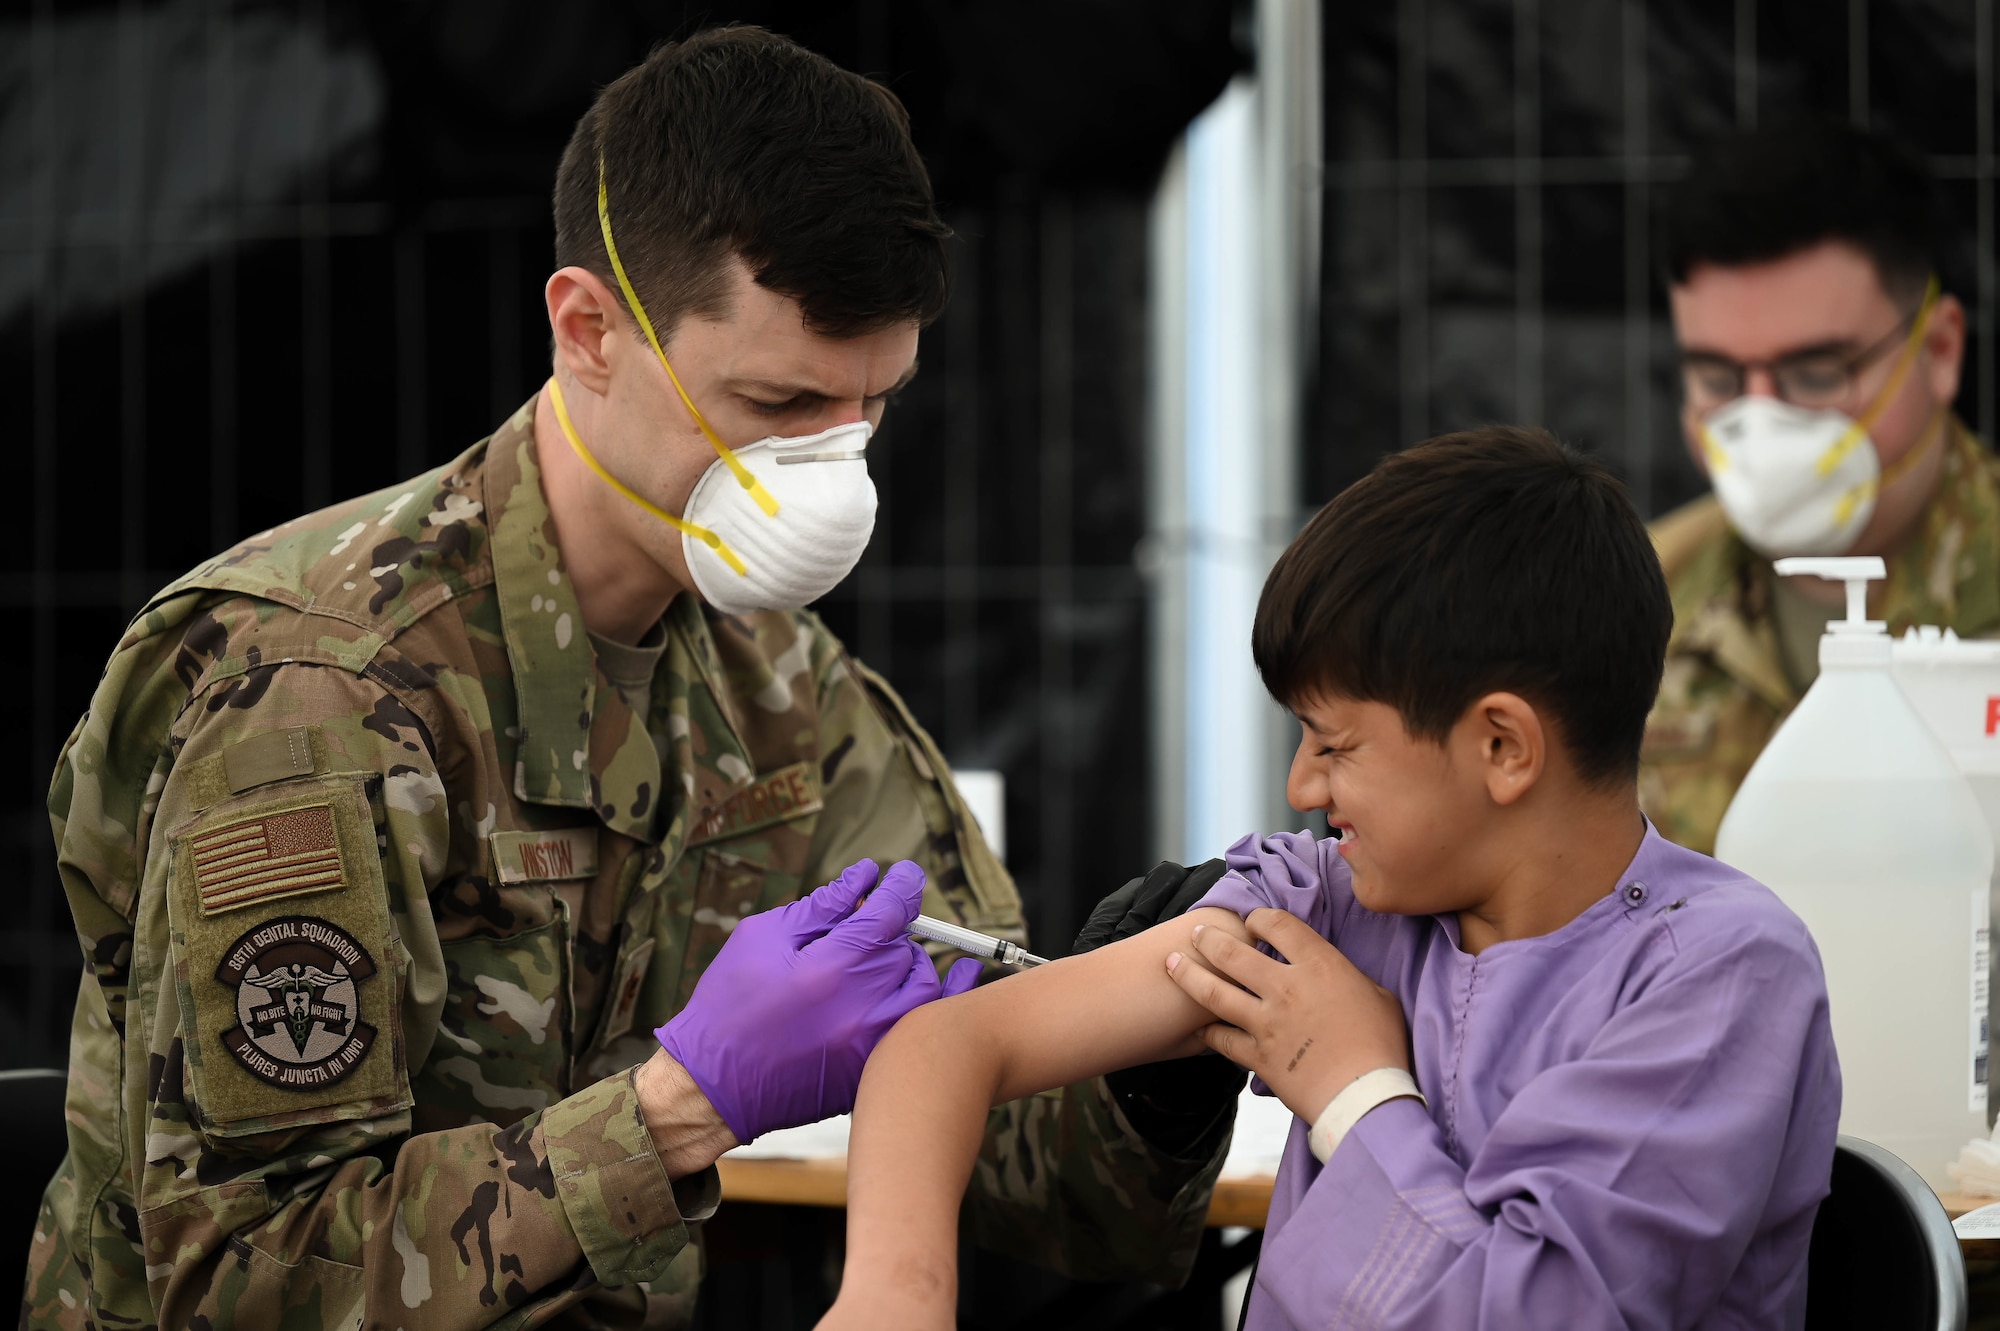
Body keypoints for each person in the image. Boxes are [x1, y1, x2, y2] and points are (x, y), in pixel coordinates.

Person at [21, 27, 1241, 1329]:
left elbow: (1009, 1137)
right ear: (588, 328)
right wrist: (683, 1102)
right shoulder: (325, 690)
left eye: (871, 411)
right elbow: (243, 1276)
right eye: (778, 403)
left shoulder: (776, 680)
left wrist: (1144, 1053)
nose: (831, 477)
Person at [819, 428, 1841, 1330]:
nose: (1299, 782)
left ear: (1500, 745)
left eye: (1333, 741)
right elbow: (950, 1042)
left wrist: (1356, 1091)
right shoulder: (1325, 906)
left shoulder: (1715, 974)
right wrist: (894, 1292)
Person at [1643, 117, 1985, 853]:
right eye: (1718, 378)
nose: (1761, 419)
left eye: (1816, 374)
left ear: (1940, 350)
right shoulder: (1627, 606)